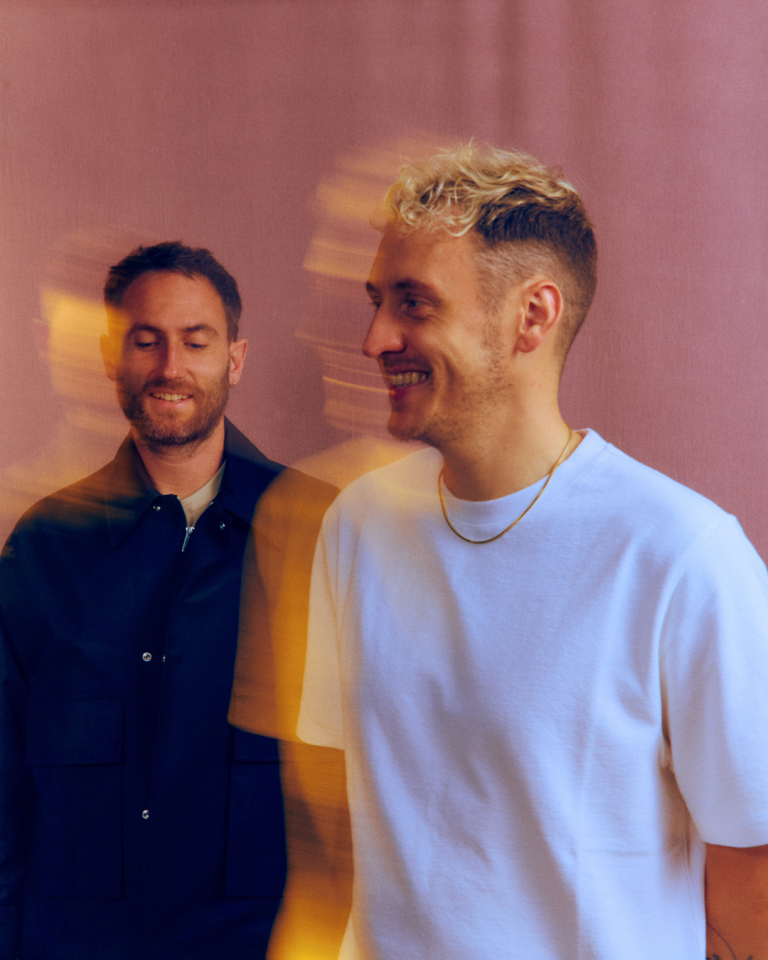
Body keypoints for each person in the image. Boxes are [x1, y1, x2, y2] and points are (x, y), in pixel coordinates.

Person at [297, 144, 768, 959]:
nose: (375, 338)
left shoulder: (684, 557)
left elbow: (752, 887)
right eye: (377, 302)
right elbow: (350, 829)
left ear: (533, 315)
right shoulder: (356, 525)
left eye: (414, 303)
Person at [0, 241, 286, 959]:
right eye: (145, 340)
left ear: (236, 359)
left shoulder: (313, 531)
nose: (170, 367)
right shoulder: (44, 546)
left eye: (196, 342)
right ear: (110, 356)